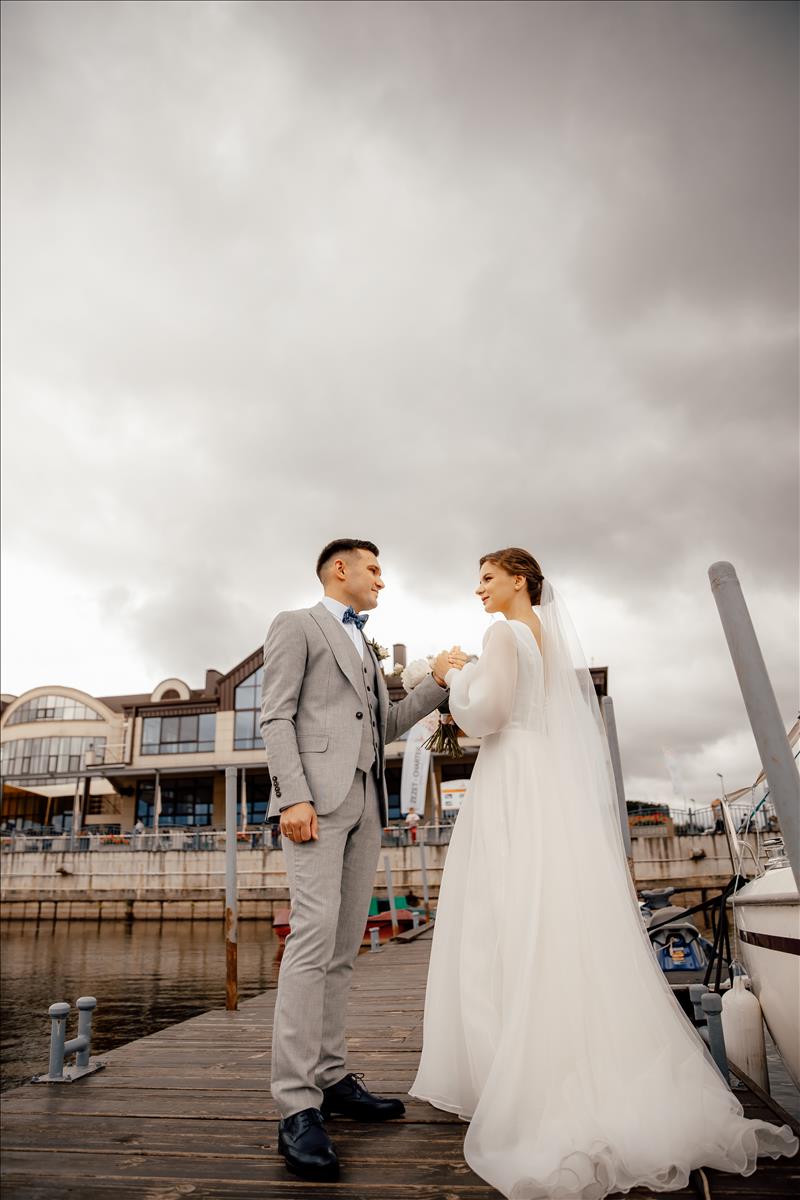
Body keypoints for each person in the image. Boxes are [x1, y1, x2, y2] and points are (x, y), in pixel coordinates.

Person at [410, 547, 797, 1199]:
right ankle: (550, 1058)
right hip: (544, 781)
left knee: (498, 915)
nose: (479, 589)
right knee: (549, 913)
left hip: (510, 779)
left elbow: (491, 715)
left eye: (487, 577)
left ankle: (509, 1074)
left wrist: (452, 677)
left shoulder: (503, 633)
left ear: (518, 581)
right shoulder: (543, 639)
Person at [261, 537, 467, 1182]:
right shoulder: (297, 624)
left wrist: (438, 681)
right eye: (373, 568)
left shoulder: (364, 645)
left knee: (344, 946)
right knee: (312, 940)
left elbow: (388, 724)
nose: (381, 579)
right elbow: (275, 717)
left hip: (366, 807)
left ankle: (330, 1077)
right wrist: (293, 796)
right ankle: (296, 1106)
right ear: (340, 569)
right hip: (314, 805)